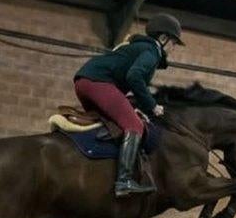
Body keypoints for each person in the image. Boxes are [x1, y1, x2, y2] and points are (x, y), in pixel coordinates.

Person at [73, 13, 184, 197]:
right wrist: (152, 105)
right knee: (134, 126)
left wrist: (137, 107)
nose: (174, 48)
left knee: (114, 126)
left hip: (84, 82)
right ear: (163, 38)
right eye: (173, 43)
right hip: (98, 83)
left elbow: (129, 82)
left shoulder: (139, 48)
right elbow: (134, 77)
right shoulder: (152, 51)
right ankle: (124, 181)